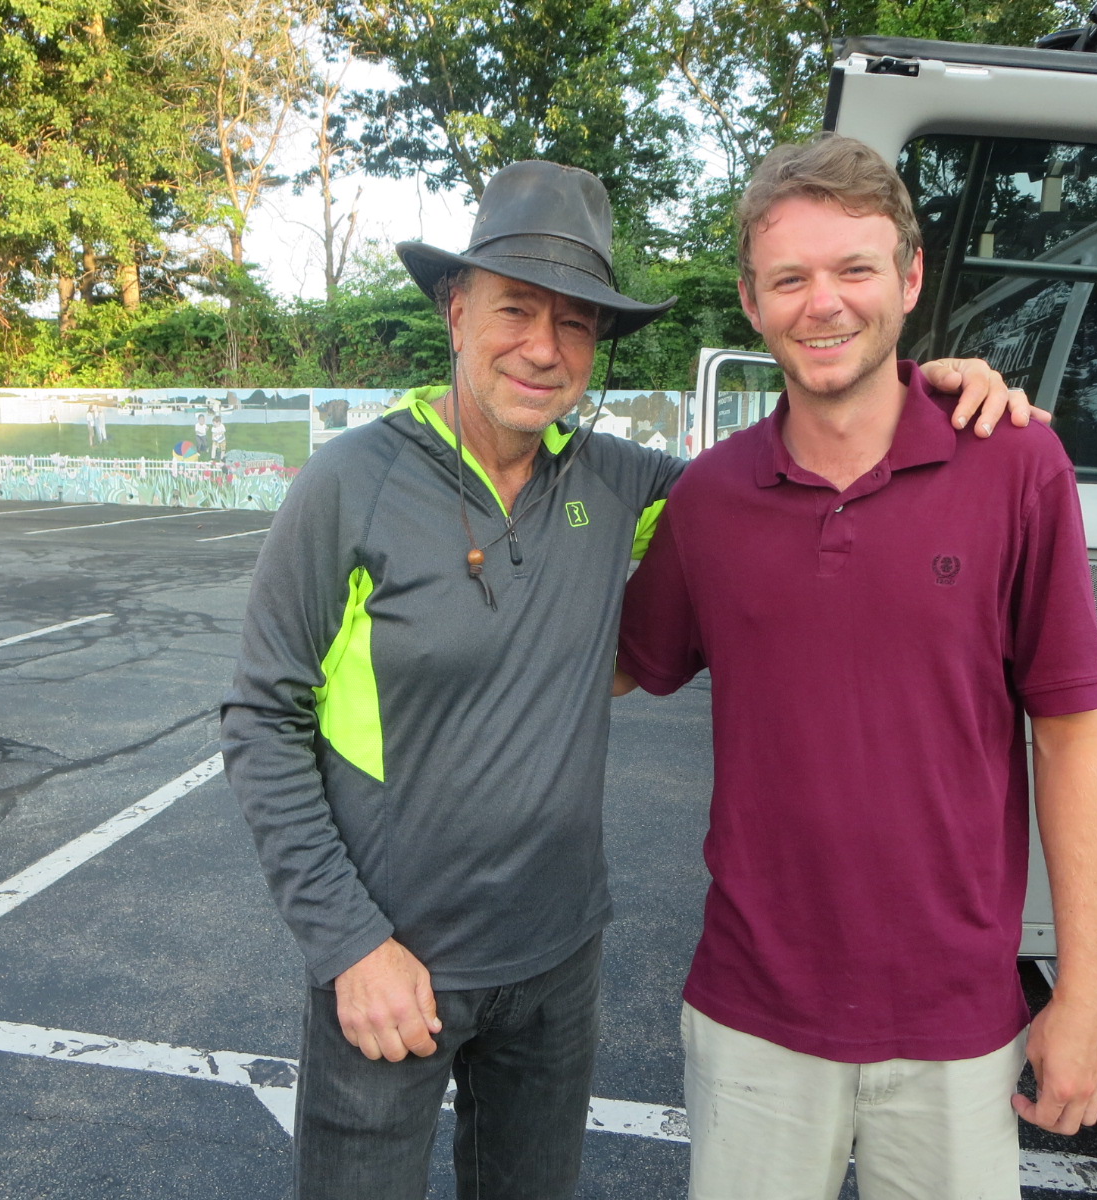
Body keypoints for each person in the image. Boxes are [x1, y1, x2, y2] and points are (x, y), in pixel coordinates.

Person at [220, 158, 1033, 1200]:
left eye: (576, 325)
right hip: (391, 963)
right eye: (515, 310)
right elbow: (261, 718)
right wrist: (348, 944)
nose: (543, 347)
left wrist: (928, 389)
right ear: (456, 310)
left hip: (556, 966)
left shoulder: (621, 483)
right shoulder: (350, 483)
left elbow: (789, 483)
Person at [615, 133, 1097, 1200]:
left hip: (956, 1022)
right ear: (750, 301)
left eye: (854, 269)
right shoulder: (708, 502)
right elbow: (611, 664)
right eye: (789, 278)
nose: (824, 304)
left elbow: (1072, 735)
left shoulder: (1017, 465)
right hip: (753, 1018)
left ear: (910, 277)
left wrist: (1084, 992)